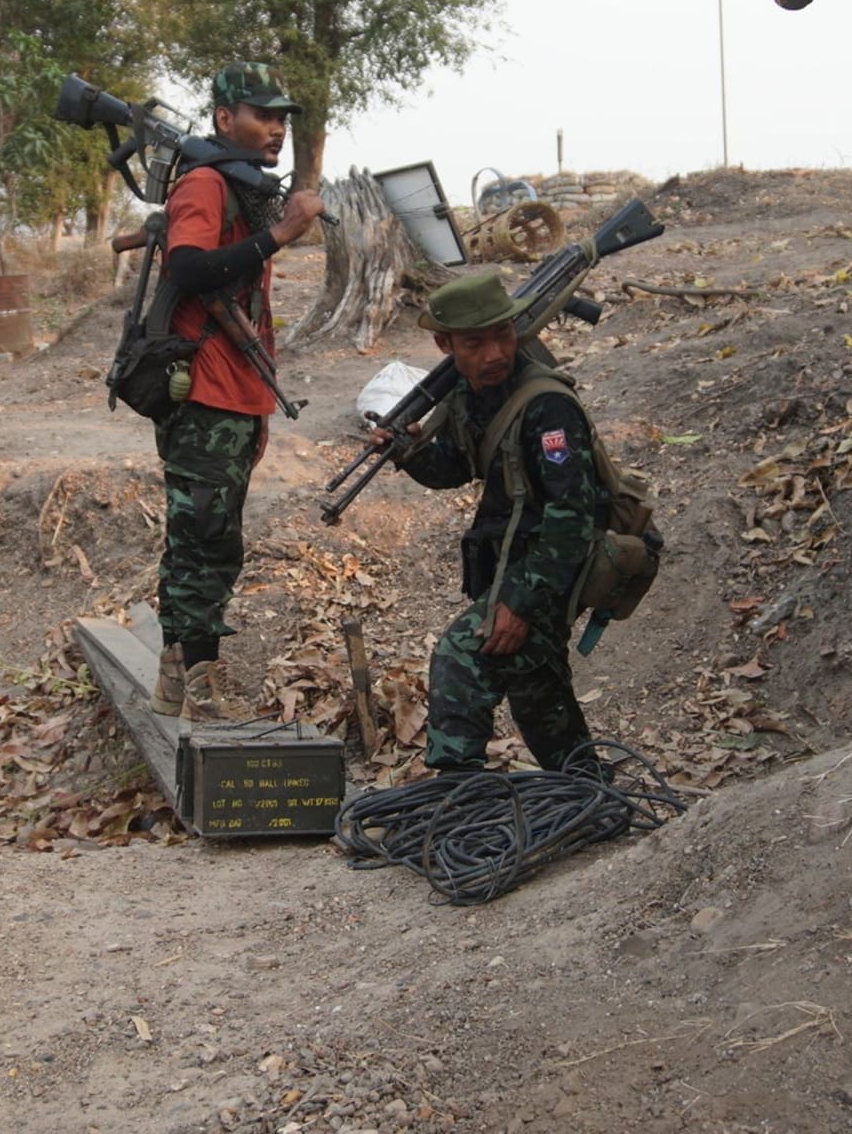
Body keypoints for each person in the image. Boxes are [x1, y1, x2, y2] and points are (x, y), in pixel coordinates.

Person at [374, 269, 609, 772]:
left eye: (502, 336)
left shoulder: (546, 406)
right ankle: (587, 790)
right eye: (475, 343)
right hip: (517, 563)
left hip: (551, 568)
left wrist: (519, 602)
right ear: (445, 344)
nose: (495, 353)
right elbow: (458, 467)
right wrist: (409, 452)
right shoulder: (473, 393)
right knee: (536, 688)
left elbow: (572, 519)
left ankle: (457, 795)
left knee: (460, 659)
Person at [148, 62, 325, 724]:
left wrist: (257, 403)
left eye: (282, 119)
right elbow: (188, 266)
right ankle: (204, 686)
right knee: (209, 541)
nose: (277, 129)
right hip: (205, 396)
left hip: (234, 395)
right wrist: (282, 233)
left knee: (198, 536)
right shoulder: (203, 183)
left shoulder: (239, 189)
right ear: (226, 120)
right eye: (263, 115)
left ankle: (175, 678)